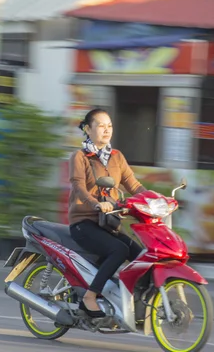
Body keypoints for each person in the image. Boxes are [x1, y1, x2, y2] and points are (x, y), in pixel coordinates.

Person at [68, 108, 146, 318]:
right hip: (84, 222)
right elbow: (78, 186)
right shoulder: (80, 157)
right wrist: (95, 203)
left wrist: (155, 199)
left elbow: (133, 184)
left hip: (108, 223)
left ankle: (124, 299)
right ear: (87, 129)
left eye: (109, 125)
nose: (106, 129)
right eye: (101, 125)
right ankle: (89, 297)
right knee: (118, 250)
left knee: (141, 257)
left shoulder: (117, 157)